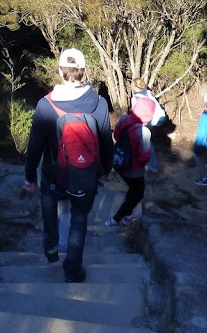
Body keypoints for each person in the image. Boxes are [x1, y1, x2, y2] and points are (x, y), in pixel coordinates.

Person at [24, 48, 112, 283]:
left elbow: (35, 146)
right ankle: (72, 269)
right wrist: (104, 170)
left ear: (60, 70)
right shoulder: (99, 104)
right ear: (83, 71)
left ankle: (52, 250)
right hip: (85, 176)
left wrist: (29, 176)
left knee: (50, 208)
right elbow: (105, 143)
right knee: (79, 218)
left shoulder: (45, 105)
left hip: (54, 175)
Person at [104, 95, 155, 227]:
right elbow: (144, 156)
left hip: (120, 162)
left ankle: (127, 214)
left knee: (132, 191)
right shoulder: (144, 132)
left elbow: (116, 135)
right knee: (137, 194)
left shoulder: (124, 119)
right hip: (135, 170)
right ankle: (117, 219)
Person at [130, 78, 167, 173]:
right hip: (158, 118)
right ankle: (150, 164)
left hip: (148, 121)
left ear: (134, 86)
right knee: (146, 141)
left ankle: (151, 166)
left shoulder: (135, 98)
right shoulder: (148, 92)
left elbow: (136, 114)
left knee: (146, 143)